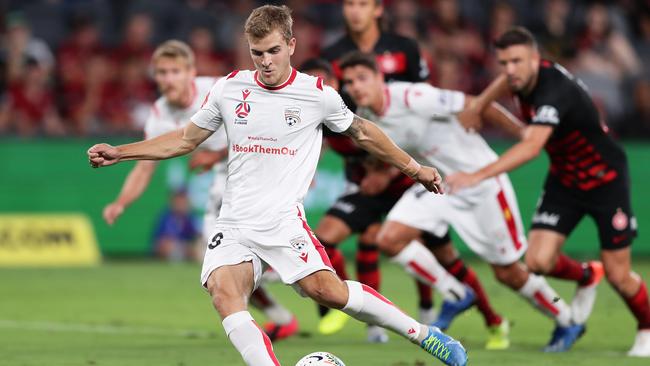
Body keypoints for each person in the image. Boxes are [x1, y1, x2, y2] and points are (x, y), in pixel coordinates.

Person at [87, 5, 467, 366]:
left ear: (290, 45)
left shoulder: (316, 94)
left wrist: (415, 168)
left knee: (328, 292)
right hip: (234, 222)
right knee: (224, 293)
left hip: (283, 223)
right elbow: (185, 139)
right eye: (257, 53)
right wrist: (121, 152)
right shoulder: (229, 89)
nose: (265, 61)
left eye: (273, 51)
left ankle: (423, 334)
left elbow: (364, 133)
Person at [339, 50, 599, 352]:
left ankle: (567, 319)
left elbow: (476, 105)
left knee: (508, 272)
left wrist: (523, 134)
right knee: (390, 239)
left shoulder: (413, 97)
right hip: (441, 184)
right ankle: (455, 294)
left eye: (362, 78)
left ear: (380, 78)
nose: (356, 87)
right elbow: (394, 149)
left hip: (483, 183)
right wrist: (382, 174)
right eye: (350, 82)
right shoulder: (366, 115)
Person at [446, 26, 650, 357]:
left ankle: (646, 328)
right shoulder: (520, 77)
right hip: (565, 179)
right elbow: (504, 81)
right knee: (537, 261)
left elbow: (530, 148)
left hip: (605, 178)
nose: (509, 70)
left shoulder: (554, 91)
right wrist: (481, 102)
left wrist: (476, 175)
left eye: (516, 62)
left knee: (620, 275)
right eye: (504, 62)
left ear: (536, 60)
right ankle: (587, 274)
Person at [101, 39, 298, 341]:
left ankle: (291, 267)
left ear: (190, 72)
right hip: (226, 175)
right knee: (217, 261)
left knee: (238, 252)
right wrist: (121, 202)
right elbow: (144, 166)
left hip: (258, 165)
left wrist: (215, 155)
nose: (168, 79)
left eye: (175, 71)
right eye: (162, 72)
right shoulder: (160, 113)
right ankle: (280, 317)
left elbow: (261, 130)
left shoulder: (220, 90)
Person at [300, 57, 505, 347]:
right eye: (311, 82)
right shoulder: (312, 113)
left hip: (403, 184)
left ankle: (491, 320)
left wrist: (384, 172)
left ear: (333, 82)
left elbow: (396, 138)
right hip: (368, 188)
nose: (319, 87)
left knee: (444, 256)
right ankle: (345, 309)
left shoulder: (355, 105)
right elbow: (314, 143)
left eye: (324, 80)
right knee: (333, 238)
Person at [316, 0, 437, 338]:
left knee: (413, 238)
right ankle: (375, 323)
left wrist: (394, 167)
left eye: (362, 3)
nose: (355, 10)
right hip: (362, 166)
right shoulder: (334, 53)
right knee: (367, 236)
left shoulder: (405, 48)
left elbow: (424, 108)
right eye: (349, 4)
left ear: (378, 9)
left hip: (406, 161)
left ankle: (428, 308)